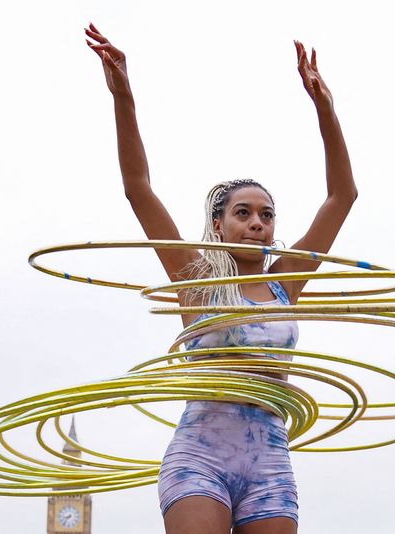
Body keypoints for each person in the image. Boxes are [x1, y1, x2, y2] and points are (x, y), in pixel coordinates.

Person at [85, 22, 357, 534]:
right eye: (243, 212)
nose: (257, 222)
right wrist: (124, 96)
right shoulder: (196, 282)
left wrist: (326, 108)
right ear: (219, 225)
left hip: (269, 464)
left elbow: (342, 196)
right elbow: (137, 188)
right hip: (199, 460)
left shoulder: (286, 284)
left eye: (267, 214)